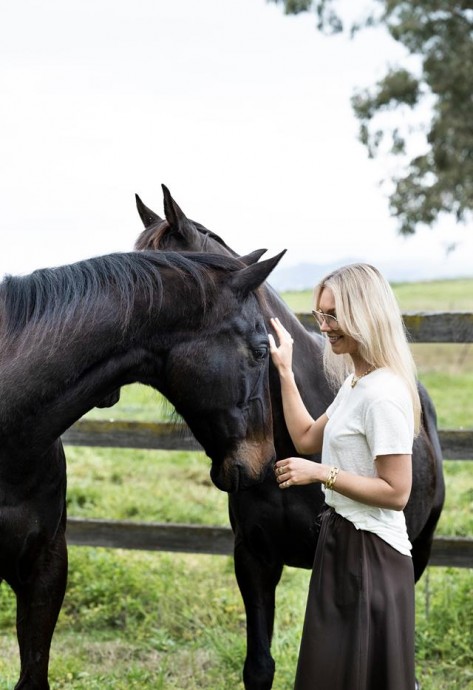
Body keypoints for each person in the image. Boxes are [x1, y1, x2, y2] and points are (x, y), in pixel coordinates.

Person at [268, 263, 420, 690]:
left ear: (365, 314)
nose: (325, 327)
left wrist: (320, 473)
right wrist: (285, 369)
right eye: (320, 315)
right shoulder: (356, 383)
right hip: (340, 543)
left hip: (372, 556)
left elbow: (396, 492)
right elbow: (304, 437)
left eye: (333, 315)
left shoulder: (384, 395)